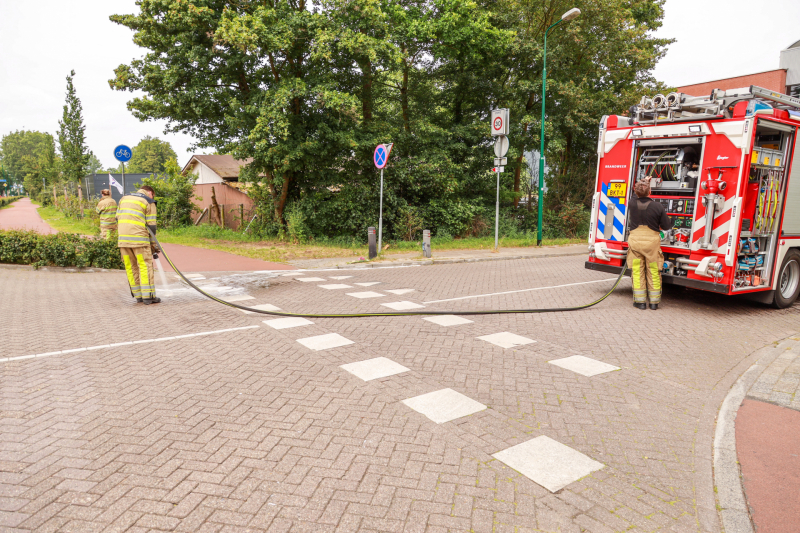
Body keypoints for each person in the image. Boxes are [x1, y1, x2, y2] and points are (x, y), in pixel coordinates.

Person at [627, 178, 673, 310]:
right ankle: (654, 303)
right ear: (650, 191)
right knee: (653, 271)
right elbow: (666, 226)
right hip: (652, 244)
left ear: (635, 191)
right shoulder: (657, 206)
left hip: (635, 242)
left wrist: (643, 181)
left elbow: (635, 196)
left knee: (637, 271)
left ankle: (640, 302)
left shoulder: (632, 203)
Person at [117, 185, 161, 304]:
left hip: (123, 241)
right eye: (153, 195)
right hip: (139, 240)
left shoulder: (124, 198)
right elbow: (151, 226)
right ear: (150, 192)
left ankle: (138, 296)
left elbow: (118, 218)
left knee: (131, 267)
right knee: (144, 266)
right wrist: (153, 245)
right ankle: (148, 297)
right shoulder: (148, 201)